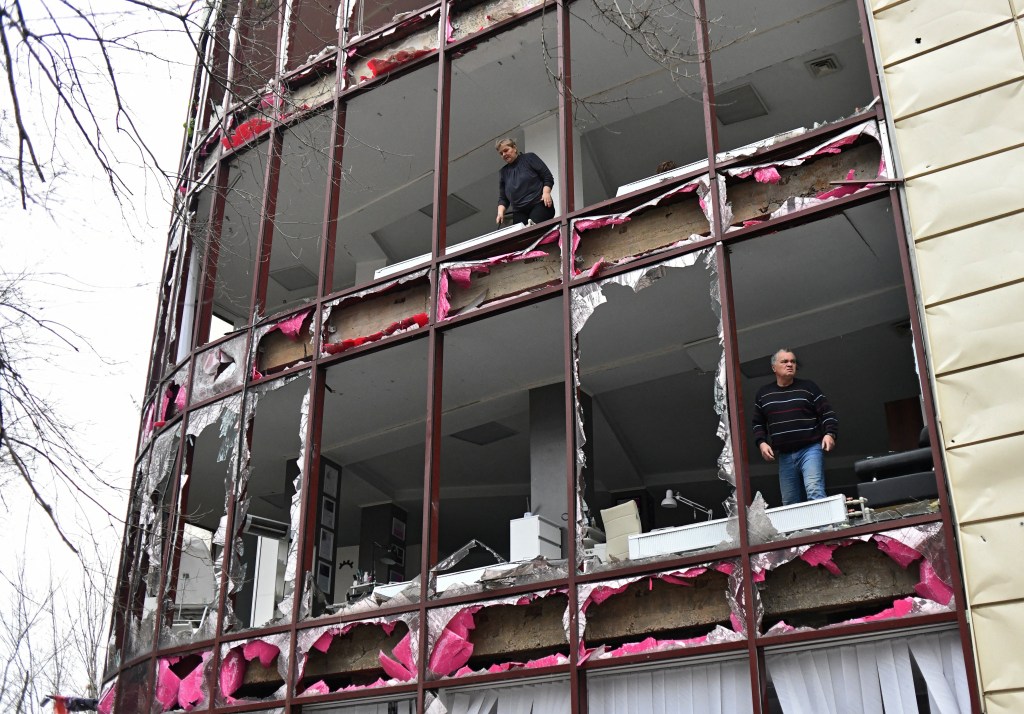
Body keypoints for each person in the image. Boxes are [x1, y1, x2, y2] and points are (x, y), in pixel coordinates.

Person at [752, 349, 838, 506]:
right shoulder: (764, 394)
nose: (790, 364)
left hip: (810, 449)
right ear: (774, 368)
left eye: (792, 361)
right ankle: (798, 532)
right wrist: (761, 443)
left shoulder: (808, 387)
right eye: (784, 362)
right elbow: (758, 423)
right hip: (784, 455)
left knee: (814, 490)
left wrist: (830, 434)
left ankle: (824, 530)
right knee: (790, 502)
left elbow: (827, 413)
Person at [495, 138, 555, 226]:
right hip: (519, 211)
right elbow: (503, 198)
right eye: (501, 153)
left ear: (514, 148)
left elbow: (547, 177)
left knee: (532, 229)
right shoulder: (503, 172)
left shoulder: (529, 158)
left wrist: (546, 192)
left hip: (539, 203)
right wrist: (500, 213)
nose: (504, 154)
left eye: (506, 150)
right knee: (520, 236)